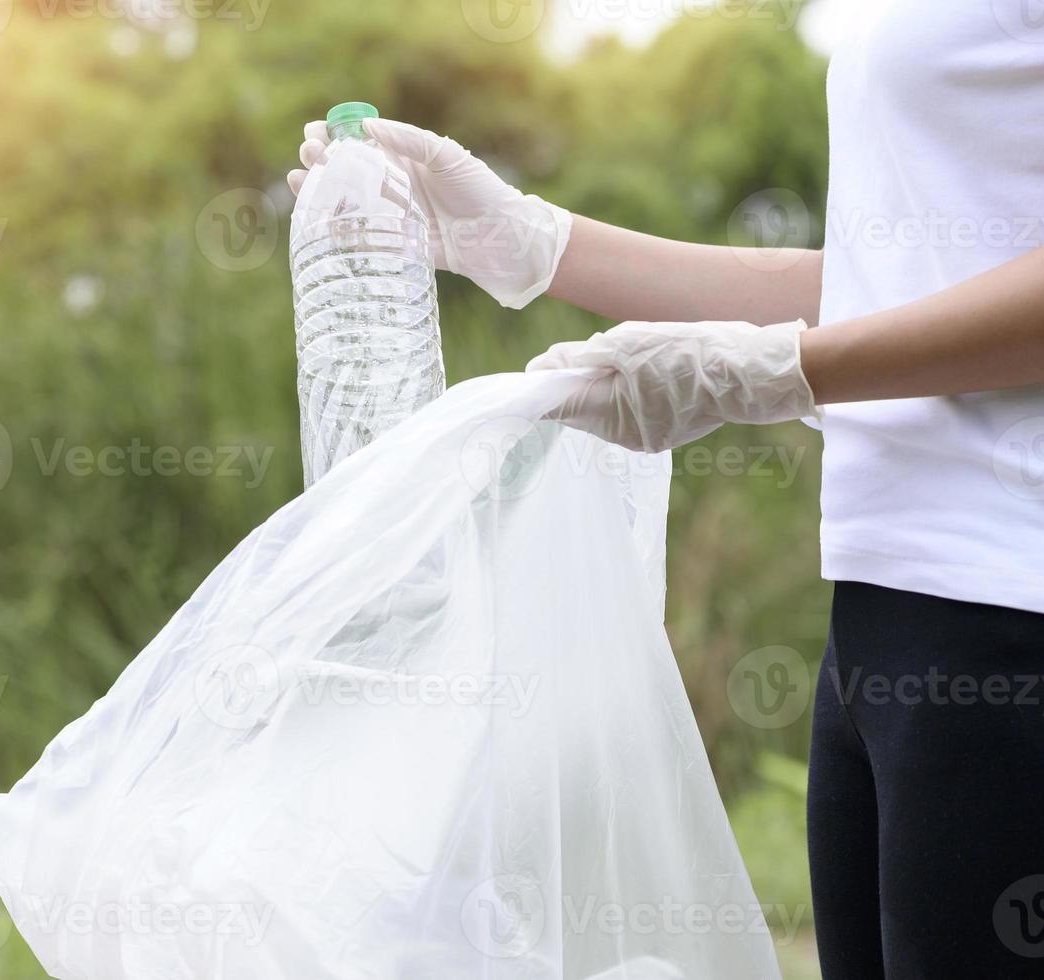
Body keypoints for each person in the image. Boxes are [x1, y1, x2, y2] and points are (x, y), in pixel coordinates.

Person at [289, 5, 1044, 977]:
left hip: (1014, 612)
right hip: (889, 615)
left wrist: (782, 370)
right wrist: (534, 241)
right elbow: (895, 278)